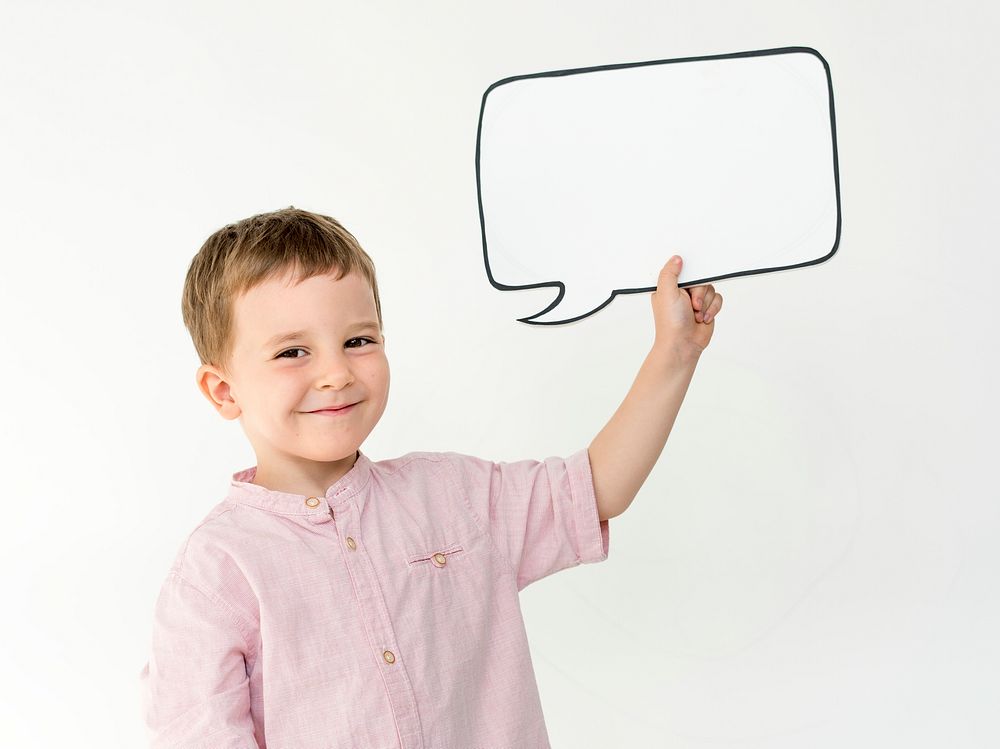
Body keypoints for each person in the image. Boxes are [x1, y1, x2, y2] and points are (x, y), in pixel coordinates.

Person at [137, 206, 722, 748]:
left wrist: (674, 351)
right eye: (293, 352)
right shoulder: (216, 573)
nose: (337, 372)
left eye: (358, 341)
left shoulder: (454, 496)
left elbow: (596, 489)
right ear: (223, 389)